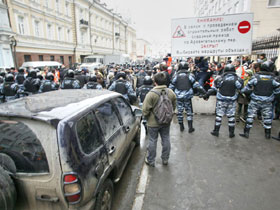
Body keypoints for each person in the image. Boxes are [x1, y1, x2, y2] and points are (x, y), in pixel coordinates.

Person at [142, 72, 176, 167]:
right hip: (166, 121)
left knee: (152, 140)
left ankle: (151, 161)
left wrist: (147, 117)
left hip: (153, 122)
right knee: (166, 138)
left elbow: (145, 110)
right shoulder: (171, 92)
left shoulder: (151, 94)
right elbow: (173, 106)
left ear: (155, 82)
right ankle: (165, 159)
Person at [240, 61, 280, 139]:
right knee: (267, 118)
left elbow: (245, 89)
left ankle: (246, 133)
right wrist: (272, 97)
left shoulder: (256, 77)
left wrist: (250, 95)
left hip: (255, 100)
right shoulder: (273, 79)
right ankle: (267, 135)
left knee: (250, 117)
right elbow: (278, 91)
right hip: (268, 101)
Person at [204, 64, 244, 138]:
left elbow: (214, 88)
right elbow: (241, 88)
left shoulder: (220, 78)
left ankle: (216, 131)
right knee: (231, 117)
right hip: (232, 101)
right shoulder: (237, 79)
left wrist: (207, 95)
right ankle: (231, 133)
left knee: (219, 116)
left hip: (221, 101)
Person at [169, 62, 206, 132]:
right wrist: (204, 93)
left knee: (179, 112)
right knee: (189, 112)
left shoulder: (175, 75)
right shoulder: (190, 75)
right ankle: (190, 127)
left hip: (178, 97)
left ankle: (181, 127)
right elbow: (196, 85)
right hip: (187, 97)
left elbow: (171, 86)